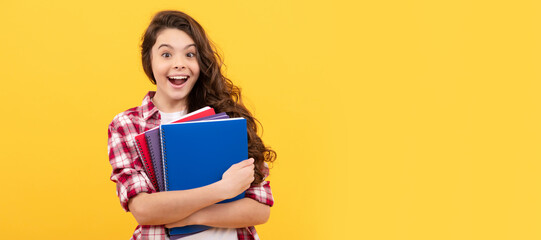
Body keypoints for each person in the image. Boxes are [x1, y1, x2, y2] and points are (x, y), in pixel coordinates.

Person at [107, 10, 276, 240]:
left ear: (201, 62)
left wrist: (189, 217)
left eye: (190, 54)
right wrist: (222, 190)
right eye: (166, 54)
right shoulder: (127, 124)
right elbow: (144, 209)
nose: (179, 64)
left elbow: (259, 208)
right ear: (149, 60)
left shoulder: (228, 118)